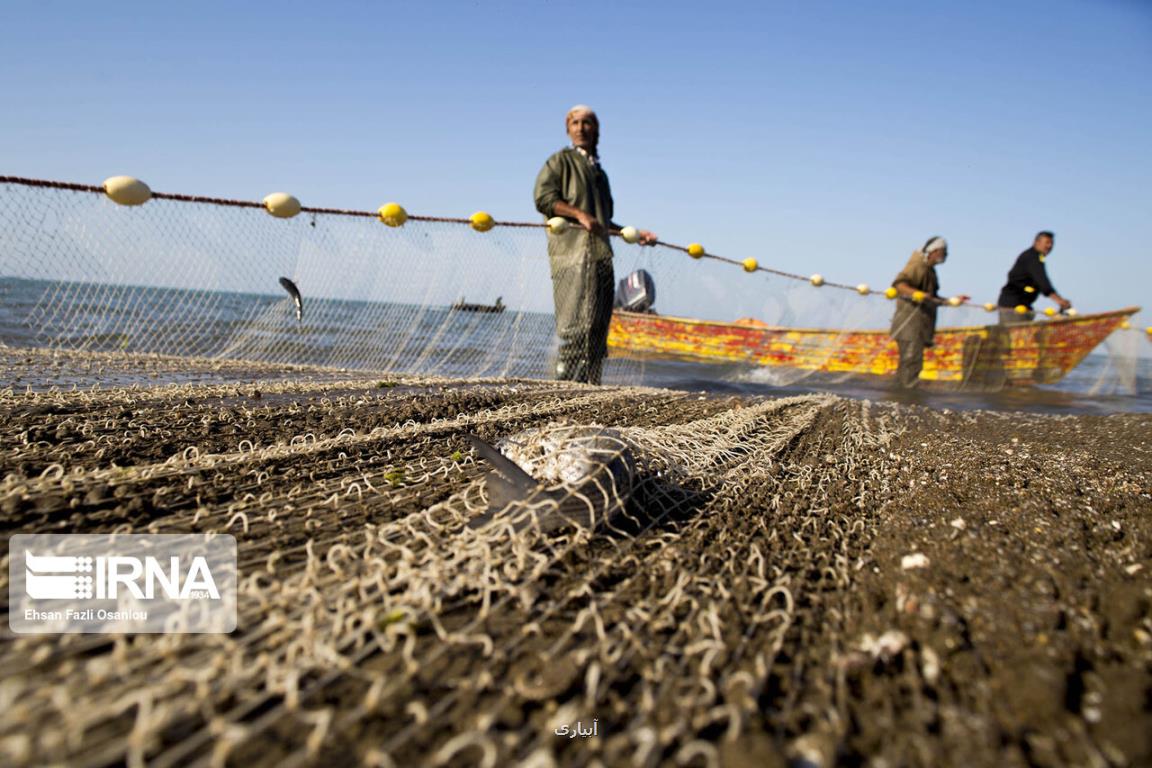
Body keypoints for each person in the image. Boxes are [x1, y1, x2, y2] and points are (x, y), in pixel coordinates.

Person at [533, 105, 657, 384]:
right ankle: (562, 388)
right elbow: (543, 198)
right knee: (575, 325)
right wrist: (578, 214)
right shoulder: (559, 162)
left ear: (596, 130)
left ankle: (590, 386)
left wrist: (635, 234)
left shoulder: (600, 174)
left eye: (587, 123)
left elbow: (602, 222)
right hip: (572, 256)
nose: (581, 128)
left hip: (602, 257)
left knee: (599, 328)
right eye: (575, 122)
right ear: (568, 128)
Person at [889, 237, 966, 388]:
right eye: (944, 252)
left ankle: (900, 398)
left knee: (911, 363)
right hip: (909, 325)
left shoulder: (929, 270)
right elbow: (899, 285)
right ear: (934, 251)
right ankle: (905, 400)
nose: (945, 255)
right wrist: (917, 294)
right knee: (911, 363)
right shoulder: (918, 265)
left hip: (918, 326)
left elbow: (931, 297)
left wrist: (950, 301)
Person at [996, 231, 1072, 323]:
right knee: (1013, 335)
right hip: (1012, 306)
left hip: (1023, 306)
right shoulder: (1032, 257)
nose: (1049, 246)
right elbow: (1042, 281)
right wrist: (1059, 300)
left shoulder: (1037, 258)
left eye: (1051, 243)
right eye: (1047, 242)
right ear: (1036, 242)